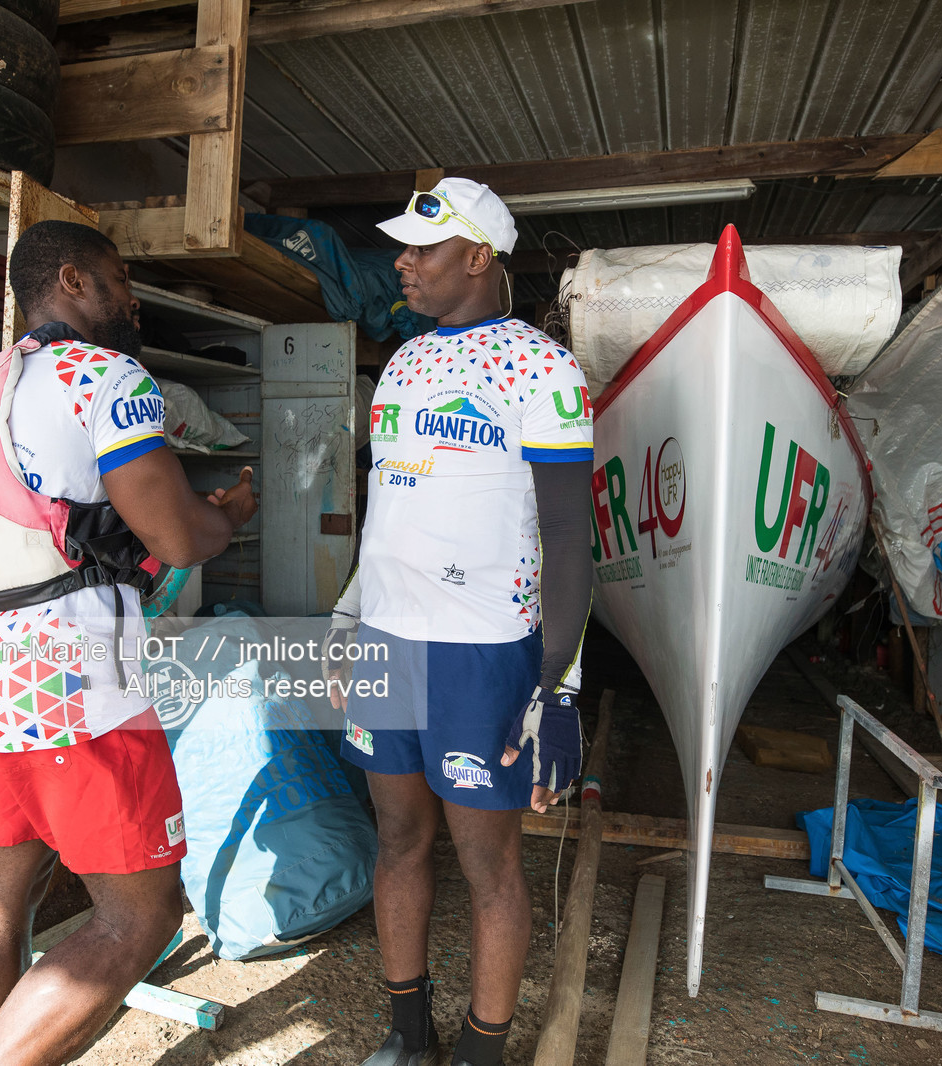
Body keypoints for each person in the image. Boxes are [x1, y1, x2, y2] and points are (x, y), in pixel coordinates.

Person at [0, 220, 257, 1066]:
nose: (132, 297)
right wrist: (227, 519)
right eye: (118, 277)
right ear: (69, 279)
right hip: (73, 683)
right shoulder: (105, 376)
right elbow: (178, 539)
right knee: (138, 915)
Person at [326, 178, 595, 1066]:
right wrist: (347, 615)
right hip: (390, 641)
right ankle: (408, 1034)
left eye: (423, 248)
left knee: (488, 865)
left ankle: (482, 1050)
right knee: (400, 839)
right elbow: (388, 513)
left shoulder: (543, 368)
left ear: (479, 256)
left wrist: (560, 688)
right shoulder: (402, 362)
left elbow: (569, 536)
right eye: (402, 246)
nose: (402, 262)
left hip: (484, 653)